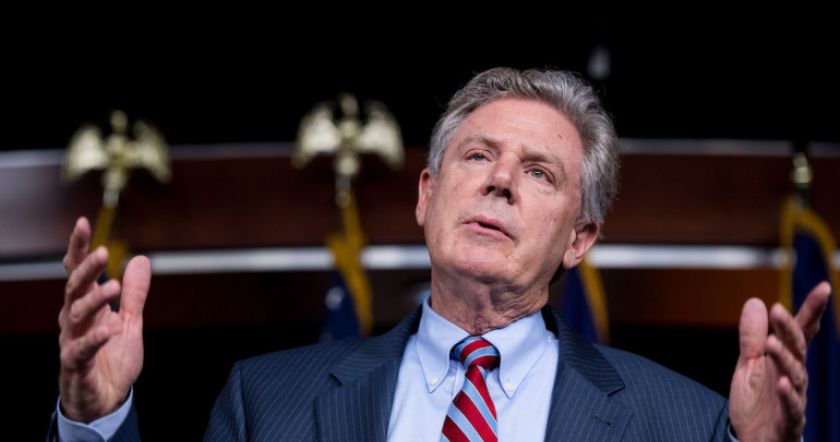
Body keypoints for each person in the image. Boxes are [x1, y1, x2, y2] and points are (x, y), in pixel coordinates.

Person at [51, 67, 831, 441]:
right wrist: (94, 422)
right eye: (477, 156)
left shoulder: (685, 423)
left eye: (539, 172)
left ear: (580, 239)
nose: (499, 180)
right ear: (427, 195)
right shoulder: (267, 403)